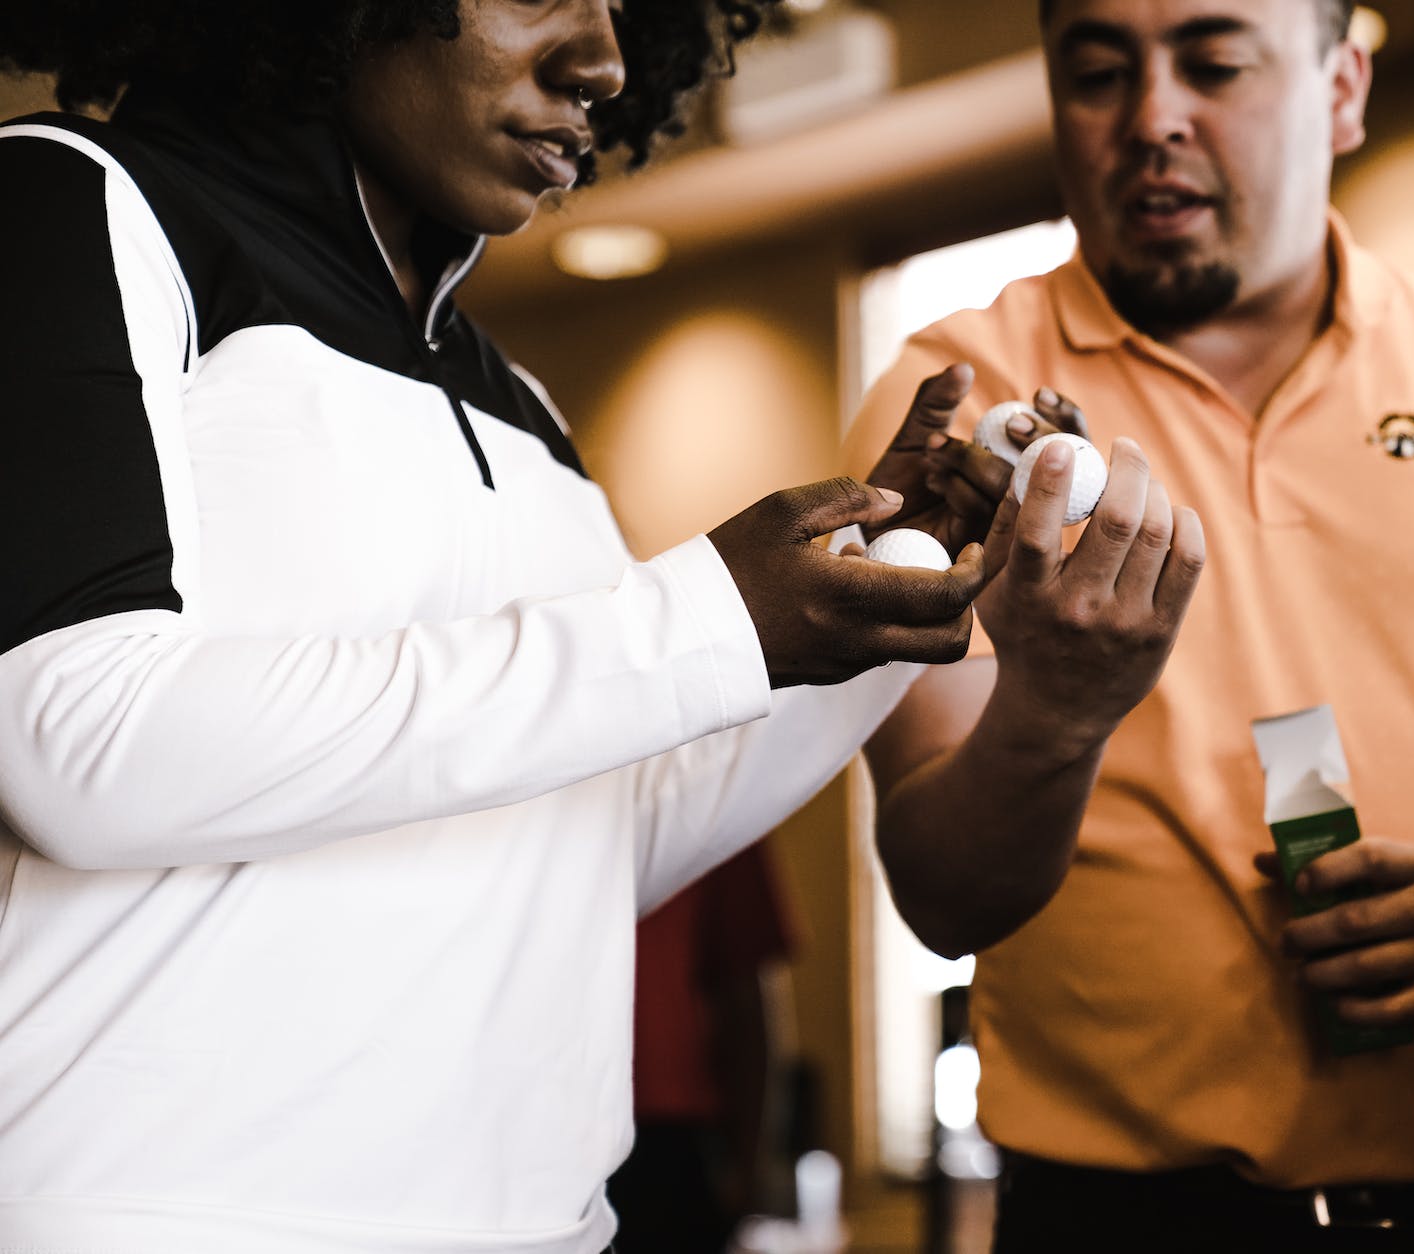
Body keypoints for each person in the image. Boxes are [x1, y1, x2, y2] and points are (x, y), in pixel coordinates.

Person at [0, 2, 1076, 1251]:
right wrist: (703, 617)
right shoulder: (74, 205)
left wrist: (906, 560)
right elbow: (76, 745)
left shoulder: (515, 398)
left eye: (624, 9)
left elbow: (597, 840)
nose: (604, 62)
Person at [841, 0, 1414, 1248]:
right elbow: (943, 899)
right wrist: (1057, 707)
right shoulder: (958, 413)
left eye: (1215, 62)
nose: (1151, 119)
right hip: (1116, 1221)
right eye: (1094, 72)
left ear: (1340, 87)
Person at [608, 842, 798, 1253]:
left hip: (671, 1143)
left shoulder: (717, 805)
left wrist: (750, 1165)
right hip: (572, 1128)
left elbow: (746, 1003)